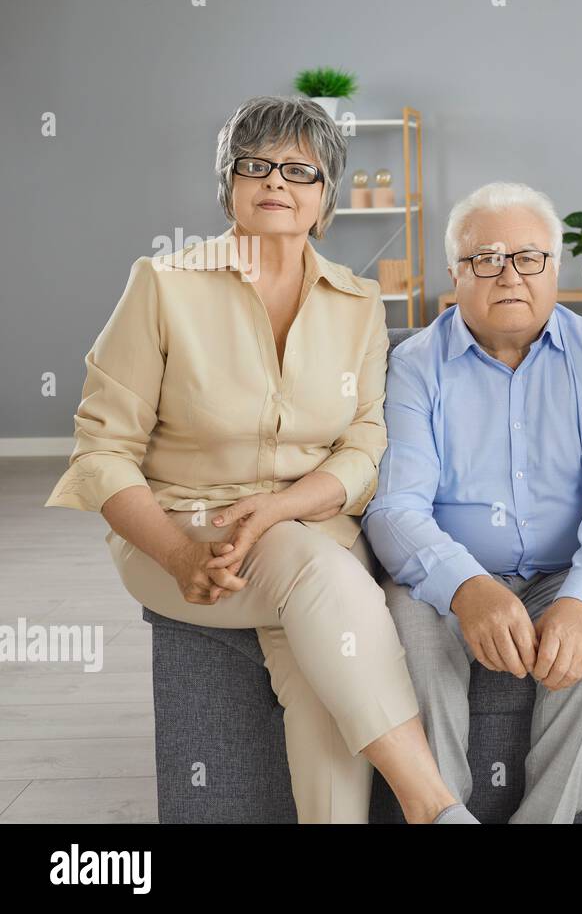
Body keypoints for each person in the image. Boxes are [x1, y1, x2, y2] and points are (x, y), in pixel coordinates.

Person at [45, 96, 471, 823]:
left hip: (307, 536)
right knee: (323, 580)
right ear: (230, 183)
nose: (276, 180)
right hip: (181, 533)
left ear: (326, 196)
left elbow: (366, 444)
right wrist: (180, 552)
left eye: (300, 170)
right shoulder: (162, 285)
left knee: (320, 668)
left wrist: (280, 507)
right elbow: (103, 449)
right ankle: (435, 808)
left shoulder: (358, 301)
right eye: (256, 164)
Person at [362, 181, 582, 823]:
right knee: (404, 625)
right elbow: (394, 508)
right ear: (455, 274)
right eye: (485, 259)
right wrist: (466, 587)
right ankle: (443, 815)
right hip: (445, 577)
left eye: (528, 258)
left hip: (561, 573)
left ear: (555, 269)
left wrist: (581, 600)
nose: (509, 275)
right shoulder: (413, 365)